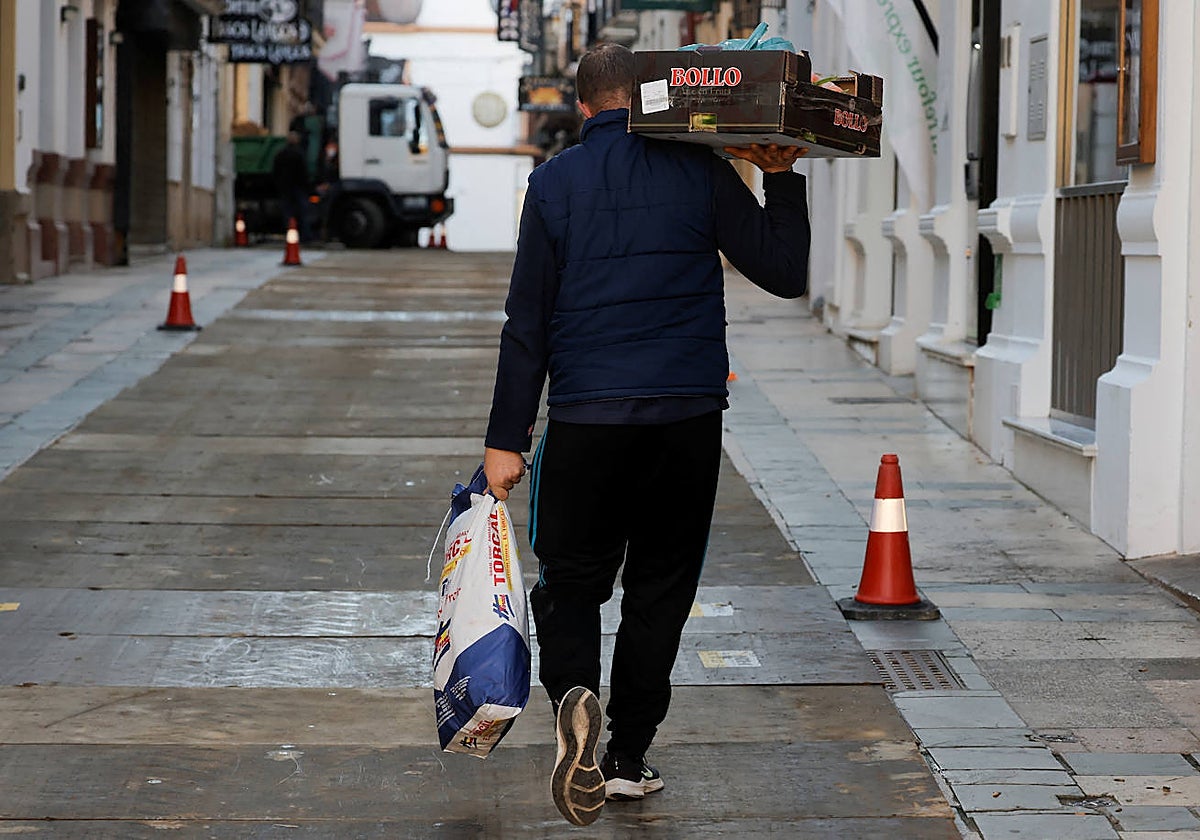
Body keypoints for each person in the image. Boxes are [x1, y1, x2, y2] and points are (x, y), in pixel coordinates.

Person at [482, 42, 810, 826]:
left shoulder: (553, 183)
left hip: (589, 418)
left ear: (583, 107)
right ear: (653, 99)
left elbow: (526, 324)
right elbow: (783, 271)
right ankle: (628, 755)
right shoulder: (701, 170)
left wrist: (507, 439)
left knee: (573, 578)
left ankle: (574, 698)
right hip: (685, 419)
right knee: (662, 584)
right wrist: (784, 176)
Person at [272, 131, 312, 243]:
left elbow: (275, 171)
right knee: (303, 212)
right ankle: (305, 235)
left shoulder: (281, 154)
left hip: (285, 187)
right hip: (298, 187)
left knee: (287, 213)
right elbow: (304, 172)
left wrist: (279, 184)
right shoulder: (300, 154)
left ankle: (289, 234)